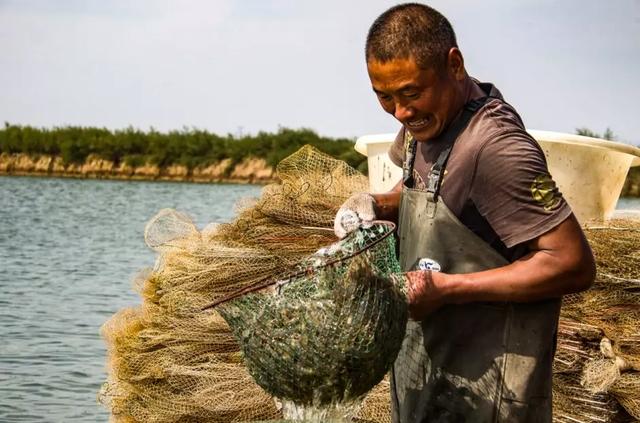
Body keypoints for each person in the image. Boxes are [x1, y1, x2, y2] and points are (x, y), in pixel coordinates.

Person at [333, 3, 596, 422]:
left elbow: (572, 263)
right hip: (431, 371)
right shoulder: (427, 119)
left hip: (491, 394)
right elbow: (421, 190)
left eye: (410, 93)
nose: (401, 112)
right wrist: (376, 203)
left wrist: (445, 290)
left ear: (454, 65)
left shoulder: (497, 148)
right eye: (385, 97)